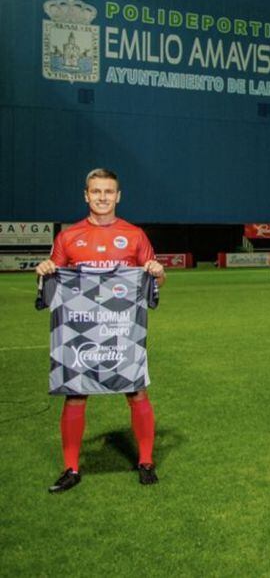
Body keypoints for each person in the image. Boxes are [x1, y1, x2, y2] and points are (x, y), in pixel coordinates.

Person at [35, 168, 167, 493]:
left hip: (122, 329)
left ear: (118, 196)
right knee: (76, 393)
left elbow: (155, 283)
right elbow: (51, 289)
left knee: (136, 390)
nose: (102, 197)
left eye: (108, 191)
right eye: (96, 191)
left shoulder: (135, 235)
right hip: (80, 328)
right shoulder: (68, 237)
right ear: (86, 195)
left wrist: (158, 272)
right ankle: (71, 468)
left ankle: (146, 462)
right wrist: (46, 270)